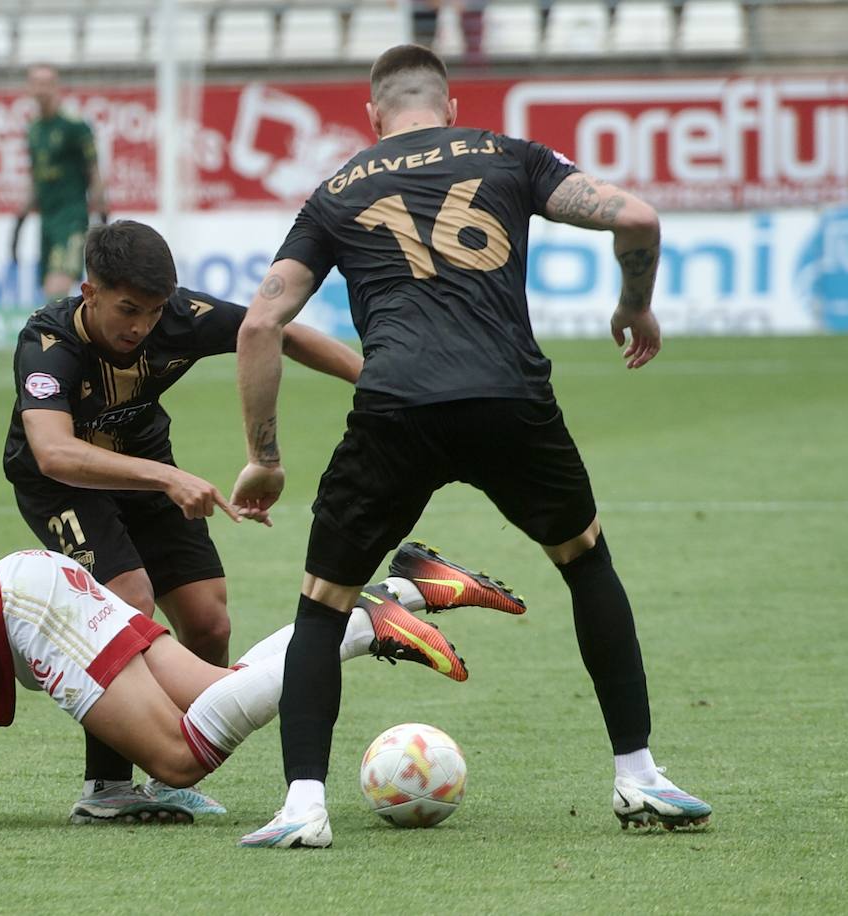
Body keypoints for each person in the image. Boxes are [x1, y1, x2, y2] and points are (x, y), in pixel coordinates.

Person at [229, 44, 712, 848]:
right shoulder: (509, 154)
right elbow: (637, 217)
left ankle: (303, 808)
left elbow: (258, 324)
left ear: (372, 116)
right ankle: (639, 778)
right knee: (585, 562)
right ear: (450, 107)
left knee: (323, 605)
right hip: (509, 402)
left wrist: (265, 458)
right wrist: (636, 305)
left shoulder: (337, 190)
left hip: (395, 411)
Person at [0, 545, 519, 830]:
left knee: (180, 761)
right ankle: (409, 587)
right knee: (225, 687)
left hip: (27, 615)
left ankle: (364, 625)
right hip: (35, 597)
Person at [4, 219, 363, 823]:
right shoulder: (48, 344)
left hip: (145, 470)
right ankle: (106, 788)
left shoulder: (178, 318)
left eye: (153, 310)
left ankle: (165, 780)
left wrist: (373, 381)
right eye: (128, 310)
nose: (142, 326)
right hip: (64, 487)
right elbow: (54, 453)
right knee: (126, 599)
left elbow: (273, 330)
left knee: (208, 620)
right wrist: (169, 478)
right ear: (90, 293)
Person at [11, 64, 108, 301]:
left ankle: (63, 337)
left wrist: (103, 219)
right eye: (36, 84)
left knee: (56, 289)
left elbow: (95, 173)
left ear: (57, 88)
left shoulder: (75, 126)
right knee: (48, 291)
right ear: (29, 89)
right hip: (47, 219)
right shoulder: (33, 129)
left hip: (72, 217)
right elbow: (36, 177)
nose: (41, 90)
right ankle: (66, 335)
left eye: (46, 84)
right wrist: (19, 221)